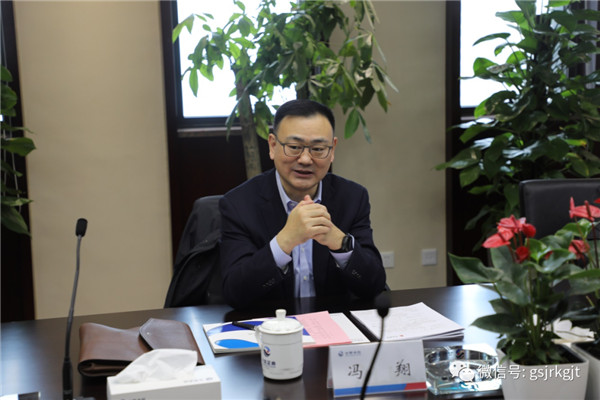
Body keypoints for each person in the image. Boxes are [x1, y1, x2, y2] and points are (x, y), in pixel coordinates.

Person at [219, 99, 386, 308]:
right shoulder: (238, 204)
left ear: (332, 150)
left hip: (334, 324)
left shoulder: (352, 198)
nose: (306, 159)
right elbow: (235, 292)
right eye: (294, 147)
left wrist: (339, 242)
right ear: (272, 146)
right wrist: (285, 241)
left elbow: (374, 285)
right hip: (272, 325)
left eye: (318, 148)